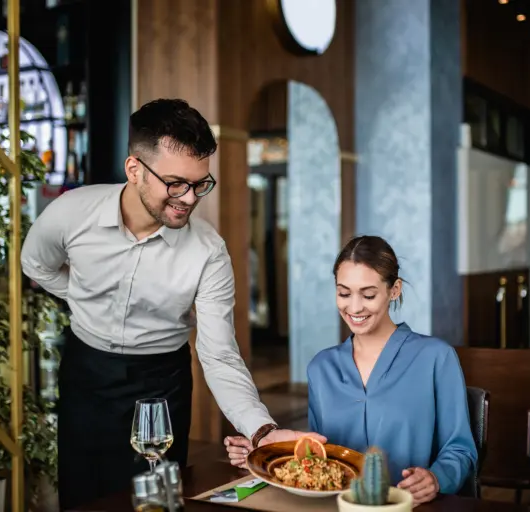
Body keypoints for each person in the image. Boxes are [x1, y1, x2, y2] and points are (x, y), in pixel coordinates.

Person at [21, 98, 323, 510]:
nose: (189, 197)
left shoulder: (209, 251)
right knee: (84, 497)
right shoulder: (71, 213)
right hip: (87, 373)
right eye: (176, 183)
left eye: (201, 184)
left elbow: (218, 354)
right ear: (134, 170)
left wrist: (261, 431)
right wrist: (83, 299)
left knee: (157, 501)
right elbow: (36, 263)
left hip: (162, 383)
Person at [224, 235, 476, 505]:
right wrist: (266, 451)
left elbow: (461, 450)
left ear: (395, 290)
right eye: (344, 293)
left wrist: (437, 478)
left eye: (368, 295)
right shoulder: (322, 368)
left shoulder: (436, 358)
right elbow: (323, 455)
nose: (354, 307)